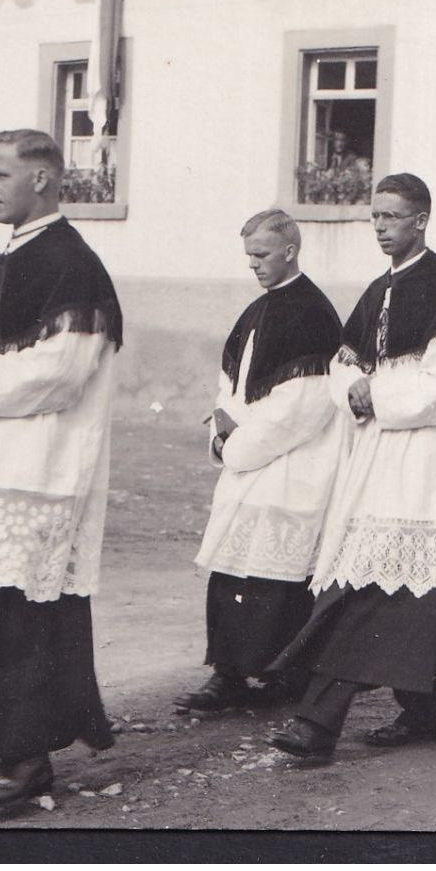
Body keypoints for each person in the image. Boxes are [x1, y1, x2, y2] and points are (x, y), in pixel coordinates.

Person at [0, 129, 123, 809]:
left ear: (42, 179)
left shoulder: (69, 260)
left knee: (19, 619)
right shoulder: (13, 256)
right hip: (0, 458)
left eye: (0, 174)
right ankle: (14, 752)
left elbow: (60, 370)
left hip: (40, 467)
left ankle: (26, 761)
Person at [266, 174, 436, 760]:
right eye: (375, 217)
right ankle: (423, 713)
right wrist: (357, 390)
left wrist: (381, 398)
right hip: (376, 458)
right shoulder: (375, 291)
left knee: (372, 591)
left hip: (424, 460)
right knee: (398, 589)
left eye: (392, 217)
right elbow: (343, 365)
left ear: (421, 219)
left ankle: (318, 725)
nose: (381, 227)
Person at [174, 211, 346, 714]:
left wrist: (237, 445)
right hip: (250, 463)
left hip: (290, 467)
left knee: (276, 581)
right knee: (231, 573)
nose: (254, 265)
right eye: (249, 255)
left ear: (290, 251)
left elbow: (303, 408)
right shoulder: (257, 311)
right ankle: (227, 674)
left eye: (262, 255)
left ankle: (280, 678)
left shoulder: (313, 314)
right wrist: (223, 430)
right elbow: (227, 390)